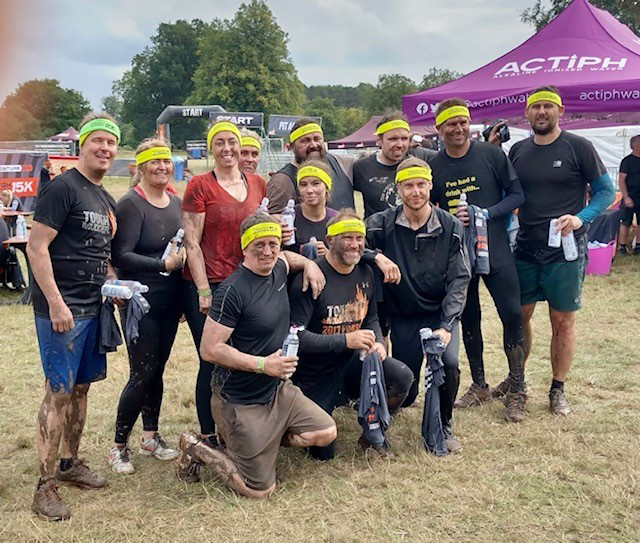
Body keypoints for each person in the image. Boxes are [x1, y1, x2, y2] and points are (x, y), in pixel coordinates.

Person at [176, 212, 336, 498]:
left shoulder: (278, 267)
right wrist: (264, 365)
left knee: (324, 433)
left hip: (277, 390)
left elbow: (289, 258)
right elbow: (210, 349)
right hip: (239, 398)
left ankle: (263, 442)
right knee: (260, 490)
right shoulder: (232, 291)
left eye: (272, 243)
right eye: (258, 245)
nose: (267, 251)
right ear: (245, 248)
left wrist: (310, 263)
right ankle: (197, 447)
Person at [27, 113, 120, 520]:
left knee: (81, 389)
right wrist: (55, 302)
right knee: (59, 391)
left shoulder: (103, 196)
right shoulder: (62, 188)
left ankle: (70, 463)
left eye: (111, 143)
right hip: (61, 310)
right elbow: (36, 246)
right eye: (97, 141)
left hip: (93, 306)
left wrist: (116, 285)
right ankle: (43, 486)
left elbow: (101, 253)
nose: (104, 148)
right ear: (81, 144)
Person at [508, 86, 615, 415]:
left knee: (562, 321)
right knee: (519, 317)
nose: (541, 112)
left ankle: (558, 389)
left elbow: (605, 192)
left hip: (565, 252)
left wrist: (580, 219)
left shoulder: (578, 147)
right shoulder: (517, 151)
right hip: (525, 248)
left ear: (560, 111)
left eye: (547, 106)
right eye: (535, 107)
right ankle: (517, 385)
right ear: (527, 113)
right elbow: (510, 193)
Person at [429, 98, 527, 423]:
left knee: (511, 315)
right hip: (459, 256)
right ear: (439, 128)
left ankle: (517, 389)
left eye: (462, 122)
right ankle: (480, 384)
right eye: (451, 124)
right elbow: (430, 209)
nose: (458, 129)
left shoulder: (492, 154)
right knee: (469, 319)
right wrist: (448, 217)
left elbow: (517, 196)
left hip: (496, 249)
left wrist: (485, 214)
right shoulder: (434, 164)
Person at [289, 210, 413, 460]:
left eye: (359, 238)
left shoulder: (365, 272)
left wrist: (377, 342)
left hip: (351, 364)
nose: (355, 244)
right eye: (347, 237)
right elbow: (296, 338)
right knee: (322, 454)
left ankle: (371, 432)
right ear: (329, 241)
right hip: (315, 373)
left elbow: (371, 317)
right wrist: (346, 340)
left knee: (402, 377)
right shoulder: (310, 278)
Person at [366, 157, 470, 452]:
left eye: (421, 184)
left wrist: (447, 324)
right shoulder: (380, 223)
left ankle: (444, 423)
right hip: (402, 316)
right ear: (397, 188)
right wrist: (376, 256)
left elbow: (460, 278)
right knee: (407, 388)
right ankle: (388, 407)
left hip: (438, 314)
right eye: (408, 185)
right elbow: (349, 243)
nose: (415, 192)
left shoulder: (449, 226)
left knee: (448, 364)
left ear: (430, 185)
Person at [181, 120, 266, 474]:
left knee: (241, 355)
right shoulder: (199, 185)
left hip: (246, 281)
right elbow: (191, 240)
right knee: (211, 359)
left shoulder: (257, 183)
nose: (228, 149)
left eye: (233, 142)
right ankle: (206, 435)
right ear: (211, 148)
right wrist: (203, 289)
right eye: (220, 143)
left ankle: (235, 429)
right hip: (210, 284)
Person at [108, 140, 184, 474]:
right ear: (141, 166)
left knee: (158, 368)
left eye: (166, 162)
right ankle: (118, 446)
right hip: (140, 302)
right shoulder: (131, 204)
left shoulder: (175, 201)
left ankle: (150, 436)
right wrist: (162, 265)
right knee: (142, 372)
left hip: (170, 299)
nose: (162, 168)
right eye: (154, 163)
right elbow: (120, 255)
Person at [353, 112, 437, 219]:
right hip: (378, 233)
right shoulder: (361, 168)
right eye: (393, 139)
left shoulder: (419, 158)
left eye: (404, 139)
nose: (400, 145)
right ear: (379, 141)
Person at [267, 118, 355, 213]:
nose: (313, 145)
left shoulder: (342, 163)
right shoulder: (283, 180)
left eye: (317, 139)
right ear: (292, 147)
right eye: (305, 141)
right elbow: (273, 220)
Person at [290, 160, 337, 254]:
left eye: (316, 183)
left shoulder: (337, 219)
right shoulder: (289, 217)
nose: (309, 190)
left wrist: (328, 255)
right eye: (303, 185)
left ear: (327, 186)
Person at [617, 135, 640, 255]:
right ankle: (622, 246)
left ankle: (638, 246)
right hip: (630, 196)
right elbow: (621, 180)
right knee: (626, 221)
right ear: (635, 145)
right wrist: (626, 196)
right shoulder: (627, 161)